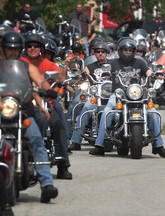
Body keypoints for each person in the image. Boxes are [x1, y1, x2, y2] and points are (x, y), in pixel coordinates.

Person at [0, 31, 58, 202]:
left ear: (19, 50)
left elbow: (39, 79)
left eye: (15, 49)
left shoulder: (26, 66)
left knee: (36, 140)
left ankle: (47, 184)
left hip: (22, 111)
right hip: (3, 110)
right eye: (8, 49)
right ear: (3, 49)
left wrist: (47, 89)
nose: (11, 52)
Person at [89, 37, 165, 158]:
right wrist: (103, 73)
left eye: (130, 49)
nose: (127, 52)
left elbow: (148, 72)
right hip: (118, 95)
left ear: (133, 50)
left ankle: (158, 145)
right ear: (120, 50)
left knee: (153, 113)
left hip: (137, 95)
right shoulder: (113, 63)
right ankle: (99, 145)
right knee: (107, 112)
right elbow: (102, 71)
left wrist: (154, 75)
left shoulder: (140, 62)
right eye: (125, 49)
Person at [20, 33, 72, 179]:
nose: (32, 48)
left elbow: (59, 82)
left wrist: (55, 91)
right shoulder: (21, 63)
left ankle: (63, 165)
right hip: (23, 103)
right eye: (29, 45)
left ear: (42, 49)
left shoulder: (49, 65)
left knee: (59, 125)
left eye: (36, 46)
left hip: (45, 103)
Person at [69, 42, 110, 150]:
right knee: (86, 108)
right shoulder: (90, 67)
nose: (100, 54)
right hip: (95, 96)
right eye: (98, 52)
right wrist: (80, 76)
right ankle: (75, 140)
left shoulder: (112, 65)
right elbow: (82, 77)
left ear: (107, 53)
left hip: (110, 96)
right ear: (94, 53)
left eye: (103, 52)